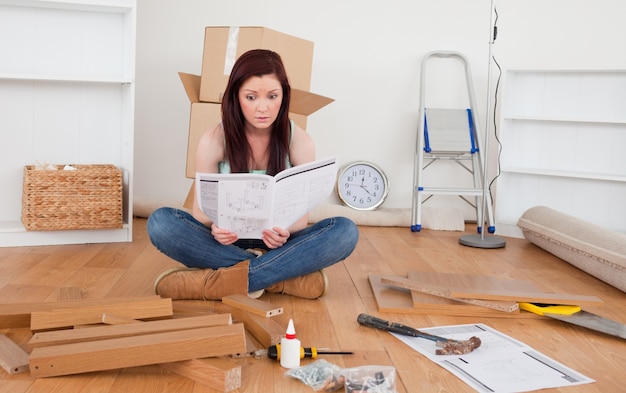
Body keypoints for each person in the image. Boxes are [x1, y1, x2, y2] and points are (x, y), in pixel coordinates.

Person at [147, 49, 359, 300]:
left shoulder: (300, 141)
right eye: (251, 97)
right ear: (236, 97)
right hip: (225, 244)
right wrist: (216, 228)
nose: (263, 108)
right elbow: (201, 213)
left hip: (279, 244)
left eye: (272, 96)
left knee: (345, 231)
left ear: (284, 96)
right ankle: (277, 277)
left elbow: (301, 219)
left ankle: (223, 280)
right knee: (161, 223)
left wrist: (284, 231)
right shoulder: (213, 140)